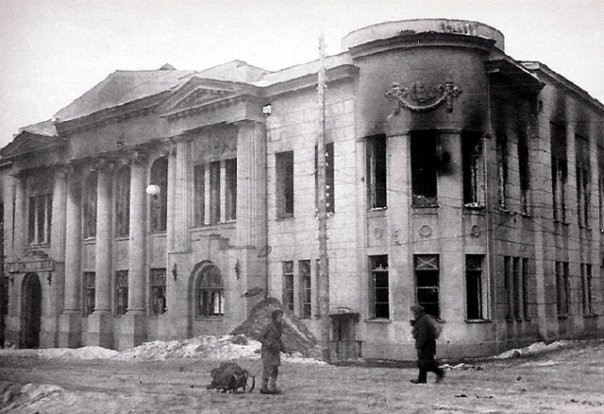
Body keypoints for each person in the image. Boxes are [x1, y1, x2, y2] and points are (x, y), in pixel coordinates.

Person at [410, 304, 445, 384]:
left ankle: (439, 372)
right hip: (427, 343)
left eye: (414, 312)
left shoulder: (423, 320)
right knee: (422, 362)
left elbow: (423, 334)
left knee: (426, 362)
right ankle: (421, 379)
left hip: (427, 344)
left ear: (417, 312)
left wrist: (419, 345)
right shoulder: (422, 319)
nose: (413, 314)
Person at [259, 308, 285, 394]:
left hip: (275, 351)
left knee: (275, 369)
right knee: (268, 369)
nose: (281, 318)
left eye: (281, 316)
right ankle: (264, 387)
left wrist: (283, 347)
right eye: (279, 316)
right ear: (275, 317)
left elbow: (278, 338)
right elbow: (260, 337)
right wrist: (268, 344)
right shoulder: (269, 326)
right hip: (268, 351)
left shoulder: (279, 327)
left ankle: (273, 387)